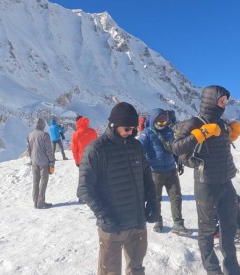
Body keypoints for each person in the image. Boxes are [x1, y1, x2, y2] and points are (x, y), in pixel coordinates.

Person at [77, 102, 159, 275]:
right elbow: (84, 188)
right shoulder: (96, 149)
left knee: (136, 268)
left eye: (133, 129)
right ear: (114, 125)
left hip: (137, 222)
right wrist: (104, 215)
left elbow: (147, 178)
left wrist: (153, 203)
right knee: (110, 272)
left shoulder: (136, 146)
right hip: (113, 225)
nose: (131, 133)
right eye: (127, 129)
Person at [172, 85, 240, 275]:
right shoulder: (194, 122)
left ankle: (232, 267)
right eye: (222, 100)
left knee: (229, 226)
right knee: (207, 230)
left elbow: (218, 147)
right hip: (206, 183)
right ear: (212, 100)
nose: (225, 104)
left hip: (226, 181)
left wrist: (231, 134)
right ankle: (213, 269)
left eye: (226, 101)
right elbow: (176, 148)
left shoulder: (222, 122)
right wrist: (199, 134)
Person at [138, 108, 192, 236]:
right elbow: (139, 151)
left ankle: (178, 224)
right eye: (159, 121)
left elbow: (174, 149)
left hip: (171, 170)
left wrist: (178, 162)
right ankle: (157, 220)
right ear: (153, 120)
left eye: (164, 120)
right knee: (156, 198)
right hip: (155, 172)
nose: (162, 123)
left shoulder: (169, 132)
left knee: (176, 197)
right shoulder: (147, 133)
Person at [27, 118, 55, 209]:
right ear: (42, 125)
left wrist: (32, 160)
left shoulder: (30, 135)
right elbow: (49, 150)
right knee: (43, 181)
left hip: (34, 162)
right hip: (44, 162)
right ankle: (41, 201)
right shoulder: (45, 135)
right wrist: (52, 161)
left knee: (35, 181)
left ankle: (35, 201)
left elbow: (29, 149)